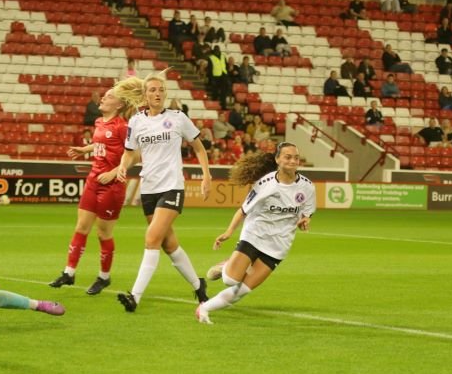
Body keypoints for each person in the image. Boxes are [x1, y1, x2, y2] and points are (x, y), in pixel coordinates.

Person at [113, 71, 212, 312]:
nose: (157, 94)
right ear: (145, 96)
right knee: (169, 244)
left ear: (165, 93)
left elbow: (198, 147)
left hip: (172, 186)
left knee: (151, 239)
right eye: (152, 90)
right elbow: (129, 152)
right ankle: (198, 284)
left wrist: (206, 175)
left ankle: (135, 296)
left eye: (161, 90)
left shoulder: (178, 118)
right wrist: (122, 167)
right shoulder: (136, 121)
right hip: (149, 189)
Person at [196, 143, 315, 324]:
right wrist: (229, 232)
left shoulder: (307, 187)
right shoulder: (266, 184)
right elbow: (243, 210)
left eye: (296, 157)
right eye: (288, 157)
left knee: (242, 290)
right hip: (254, 236)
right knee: (229, 280)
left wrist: (305, 220)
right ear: (277, 159)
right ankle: (227, 265)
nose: (293, 161)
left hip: (278, 246)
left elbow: (307, 211)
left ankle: (204, 308)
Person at [49, 89, 135, 295]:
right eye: (104, 96)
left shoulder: (123, 127)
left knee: (103, 232)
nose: (104, 98)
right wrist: (83, 149)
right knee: (81, 226)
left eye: (109, 96)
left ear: (119, 105)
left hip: (112, 186)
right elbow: (100, 143)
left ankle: (104, 277)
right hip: (93, 180)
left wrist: (115, 173)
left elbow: (134, 156)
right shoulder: (99, 123)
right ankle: (69, 273)